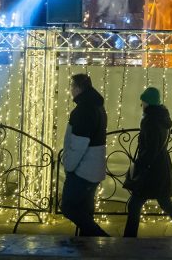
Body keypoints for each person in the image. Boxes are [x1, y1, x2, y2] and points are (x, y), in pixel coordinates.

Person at [123, 87, 172, 238]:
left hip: (151, 171)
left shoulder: (150, 121)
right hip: (160, 167)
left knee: (135, 204)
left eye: (142, 102)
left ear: (147, 102)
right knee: (164, 203)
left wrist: (140, 166)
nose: (141, 105)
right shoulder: (161, 118)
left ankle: (129, 239)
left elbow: (150, 149)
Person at [61, 73, 108, 236]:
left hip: (83, 170)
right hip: (94, 167)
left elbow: (78, 144)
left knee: (68, 207)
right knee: (85, 211)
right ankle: (88, 246)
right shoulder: (97, 106)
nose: (71, 91)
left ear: (79, 88)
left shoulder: (83, 109)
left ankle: (102, 238)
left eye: (72, 87)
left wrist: (68, 164)